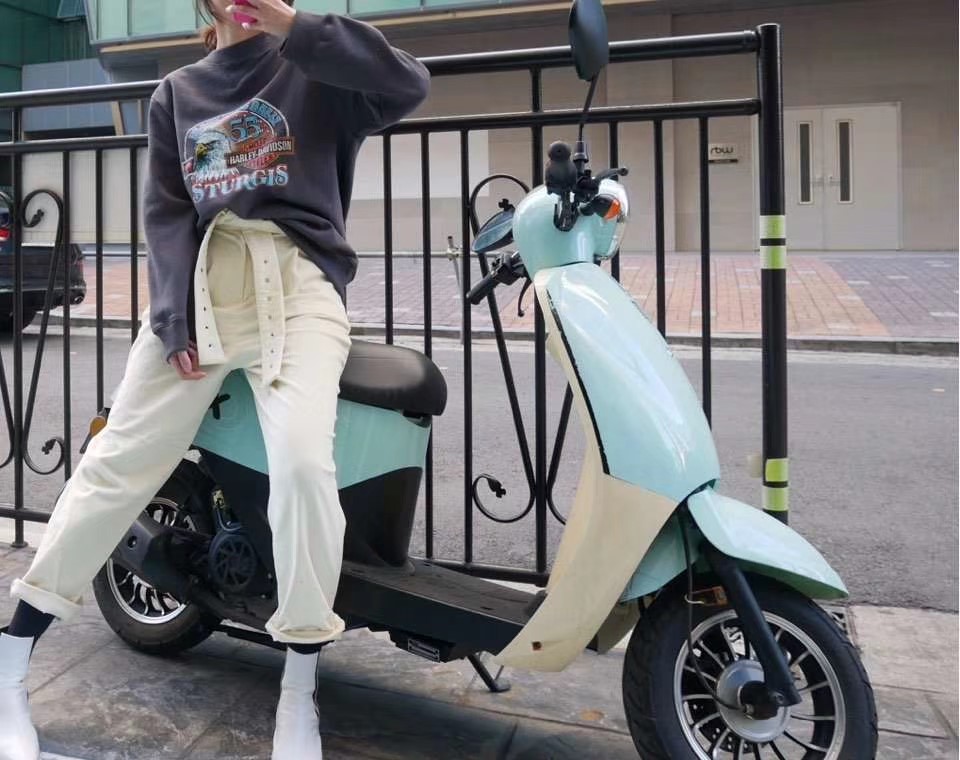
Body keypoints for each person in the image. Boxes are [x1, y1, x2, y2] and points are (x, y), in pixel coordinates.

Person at [0, 1, 429, 758]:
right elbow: (168, 211)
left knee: (304, 467)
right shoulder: (178, 91)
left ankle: (298, 692)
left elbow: (407, 84)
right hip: (201, 287)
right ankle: (10, 662)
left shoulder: (316, 64)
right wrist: (172, 316)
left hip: (297, 287)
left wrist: (296, 27)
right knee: (116, 464)